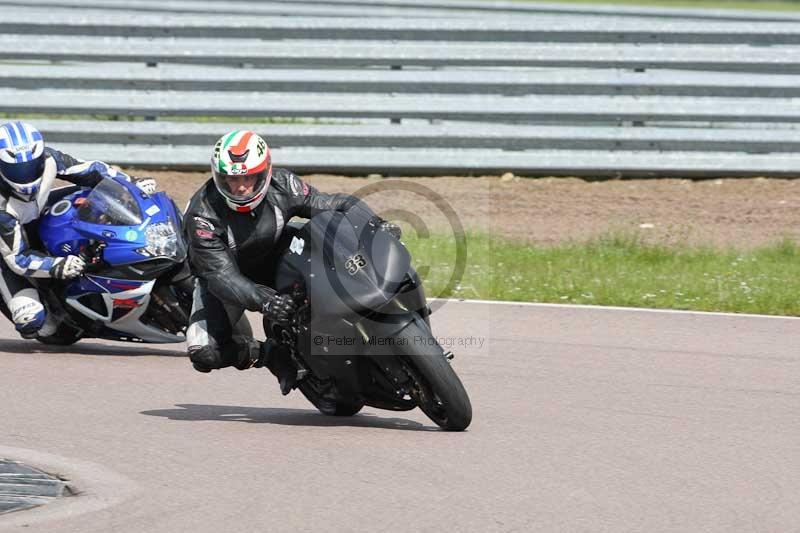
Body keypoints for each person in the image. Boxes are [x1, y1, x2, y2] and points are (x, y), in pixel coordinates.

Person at [183, 130, 398, 393]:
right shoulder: (202, 214)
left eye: (248, 177)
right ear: (218, 176)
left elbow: (332, 205)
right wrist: (267, 301)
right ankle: (269, 354)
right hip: (226, 279)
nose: (240, 187)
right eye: (230, 179)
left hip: (279, 254)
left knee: (327, 235)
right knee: (204, 352)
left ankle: (369, 307)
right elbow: (220, 275)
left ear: (264, 172)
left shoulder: (283, 184)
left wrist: (375, 226)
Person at [0, 121, 157, 338]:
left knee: (91, 200)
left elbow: (91, 170)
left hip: (35, 214)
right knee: (40, 324)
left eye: (30, 166)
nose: (25, 175)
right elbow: (17, 259)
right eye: (16, 169)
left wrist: (131, 183)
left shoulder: (50, 159)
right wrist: (56, 265)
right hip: (6, 251)